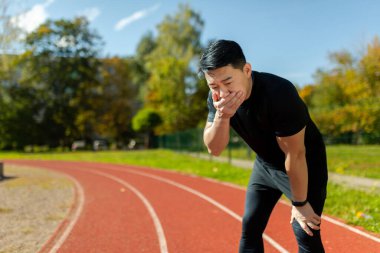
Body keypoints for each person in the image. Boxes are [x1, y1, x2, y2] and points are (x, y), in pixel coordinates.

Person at [199, 40, 328, 253]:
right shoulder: (216, 99)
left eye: (228, 82)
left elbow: (295, 153)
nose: (222, 93)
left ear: (247, 70)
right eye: (214, 86)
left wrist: (300, 203)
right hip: (266, 165)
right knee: (250, 226)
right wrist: (222, 115)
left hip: (303, 165)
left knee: (304, 231)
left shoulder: (279, 92)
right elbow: (214, 148)